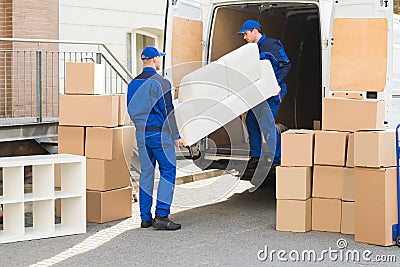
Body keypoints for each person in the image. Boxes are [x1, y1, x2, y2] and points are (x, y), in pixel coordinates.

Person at [127, 46, 185, 230]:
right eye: (159, 58)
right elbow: (169, 110)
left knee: (146, 173)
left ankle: (145, 218)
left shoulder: (133, 84)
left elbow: (130, 110)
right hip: (159, 134)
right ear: (154, 60)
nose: (160, 60)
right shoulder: (162, 82)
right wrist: (176, 135)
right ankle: (162, 216)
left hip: (141, 133)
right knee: (168, 170)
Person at [237, 19, 291, 170]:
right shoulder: (251, 50)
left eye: (246, 34)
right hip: (260, 93)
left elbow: (286, 64)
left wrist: (275, 83)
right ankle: (256, 156)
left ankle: (277, 159)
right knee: (251, 121)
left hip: (274, 92)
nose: (244, 37)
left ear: (255, 31)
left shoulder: (271, 45)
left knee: (267, 124)